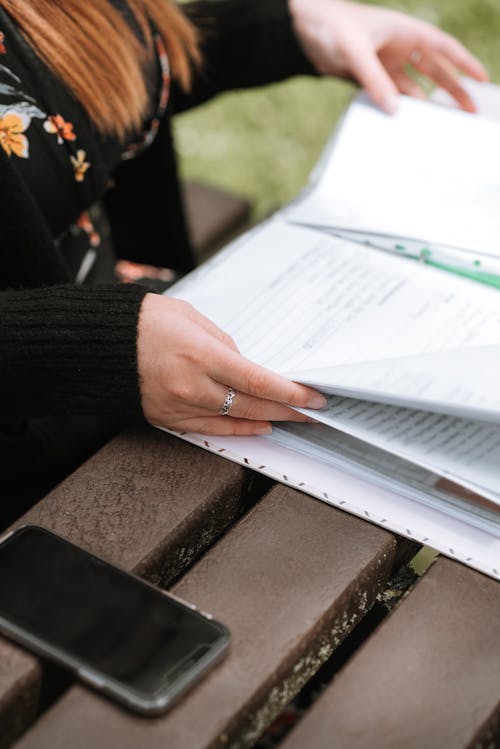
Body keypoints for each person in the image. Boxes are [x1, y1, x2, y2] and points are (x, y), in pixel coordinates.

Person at [0, 0, 488, 523]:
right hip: (43, 437)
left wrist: (292, 28)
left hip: (144, 329)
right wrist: (83, 349)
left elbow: (63, 110)